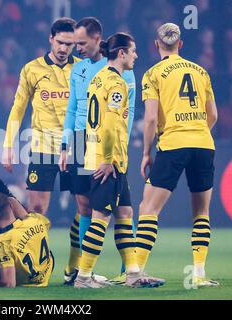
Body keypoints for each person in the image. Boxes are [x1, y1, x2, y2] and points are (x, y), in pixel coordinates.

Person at [74, 32, 164, 289]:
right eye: (133, 51)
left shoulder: (98, 77)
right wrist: (109, 160)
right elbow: (112, 124)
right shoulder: (117, 83)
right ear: (121, 53)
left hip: (100, 156)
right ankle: (83, 277)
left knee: (124, 213)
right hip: (108, 161)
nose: (136, 55)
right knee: (100, 216)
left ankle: (133, 274)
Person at [137, 23, 219, 287]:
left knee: (148, 208)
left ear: (156, 45)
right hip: (204, 144)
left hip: (173, 143)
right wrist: (196, 132)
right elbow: (213, 115)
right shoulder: (200, 71)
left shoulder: (153, 73)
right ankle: (198, 274)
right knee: (201, 212)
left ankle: (136, 272)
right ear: (180, 44)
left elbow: (150, 119)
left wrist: (146, 153)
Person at [58, 17, 137, 286]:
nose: (76, 48)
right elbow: (71, 110)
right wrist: (66, 145)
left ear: (96, 39)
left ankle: (128, 269)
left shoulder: (122, 70)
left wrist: (118, 150)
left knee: (119, 209)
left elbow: (127, 113)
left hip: (105, 144)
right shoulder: (78, 70)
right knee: (85, 207)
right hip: (81, 141)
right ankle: (83, 270)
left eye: (81, 43)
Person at [1, 17, 79, 215]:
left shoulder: (82, 69)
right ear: (51, 39)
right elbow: (18, 109)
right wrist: (8, 144)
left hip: (77, 146)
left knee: (84, 208)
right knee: (36, 209)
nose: (63, 48)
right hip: (43, 148)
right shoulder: (32, 69)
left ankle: (79, 248)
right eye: (60, 42)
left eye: (69, 44)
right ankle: (39, 247)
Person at [0, 192, 54, 287]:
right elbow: (41, 222)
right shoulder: (36, 220)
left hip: (26, 281)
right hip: (45, 274)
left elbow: (9, 283)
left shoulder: (2, 242)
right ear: (11, 206)